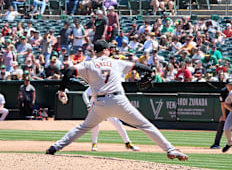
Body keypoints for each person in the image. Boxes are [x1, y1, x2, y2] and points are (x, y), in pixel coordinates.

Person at [46, 39, 188, 161]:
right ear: (107, 50)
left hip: (100, 103)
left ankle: (55, 147)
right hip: (119, 100)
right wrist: (150, 71)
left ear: (95, 51)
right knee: (145, 125)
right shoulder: (116, 62)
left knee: (82, 128)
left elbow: (69, 71)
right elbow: (139, 67)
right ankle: (170, 150)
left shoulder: (89, 64)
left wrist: (61, 90)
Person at [82, 87, 139, 152]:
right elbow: (85, 94)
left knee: (117, 123)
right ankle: (94, 143)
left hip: (107, 107)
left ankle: (128, 143)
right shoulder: (96, 84)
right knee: (96, 125)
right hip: (96, 107)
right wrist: (88, 104)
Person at [210, 78, 232, 149]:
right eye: (229, 85)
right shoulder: (223, 91)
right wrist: (224, 116)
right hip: (229, 109)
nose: (231, 86)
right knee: (221, 124)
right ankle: (216, 144)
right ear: (226, 85)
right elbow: (223, 104)